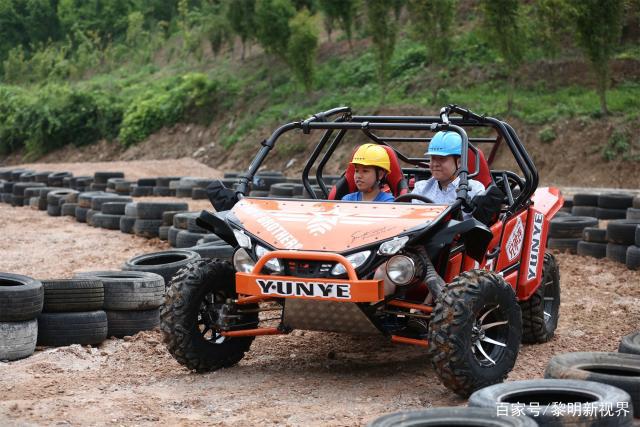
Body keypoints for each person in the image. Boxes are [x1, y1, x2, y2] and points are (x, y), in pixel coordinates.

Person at [412, 131, 485, 206]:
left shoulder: (474, 190)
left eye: (442, 158)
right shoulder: (420, 190)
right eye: (433, 158)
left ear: (459, 162)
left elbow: (482, 217)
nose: (435, 164)